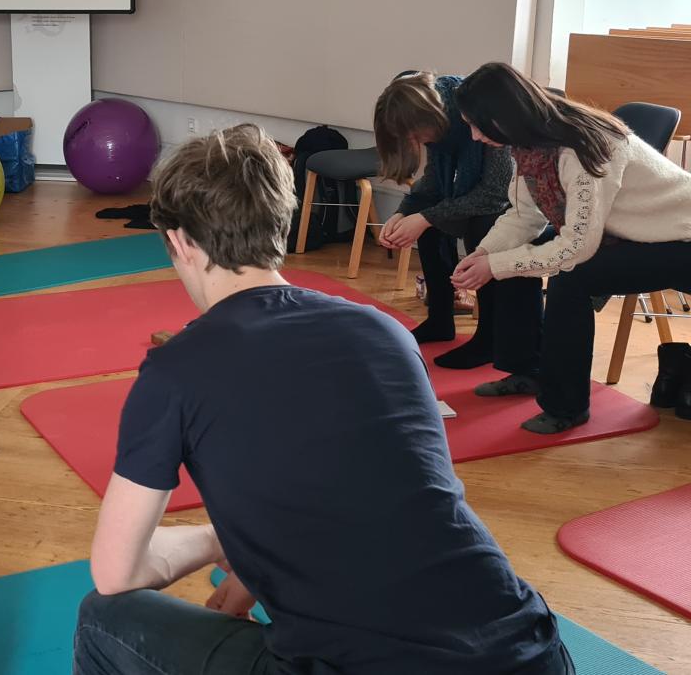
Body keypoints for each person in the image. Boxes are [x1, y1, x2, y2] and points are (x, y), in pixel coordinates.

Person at [74, 124, 572, 675]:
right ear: (283, 223)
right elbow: (397, 497)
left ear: (180, 242)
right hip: (530, 654)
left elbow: (116, 574)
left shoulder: (175, 371)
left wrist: (222, 540)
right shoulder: (386, 332)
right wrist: (251, 556)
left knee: (102, 618)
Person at [452, 62, 691, 433]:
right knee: (512, 258)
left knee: (571, 277)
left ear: (505, 116)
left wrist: (497, 266)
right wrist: (485, 255)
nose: (475, 136)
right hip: (632, 233)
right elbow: (523, 218)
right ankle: (529, 368)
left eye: (478, 125)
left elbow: (576, 247)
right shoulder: (531, 141)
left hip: (680, 239)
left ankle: (566, 405)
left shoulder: (583, 147)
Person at [375, 70, 544, 376]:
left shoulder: (479, 115)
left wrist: (424, 217)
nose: (414, 142)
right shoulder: (438, 118)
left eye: (414, 135)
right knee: (428, 219)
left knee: (482, 222)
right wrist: (405, 212)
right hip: (488, 198)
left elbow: (495, 193)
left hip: (513, 205)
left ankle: (489, 337)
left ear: (430, 119)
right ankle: (441, 319)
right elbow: (434, 181)